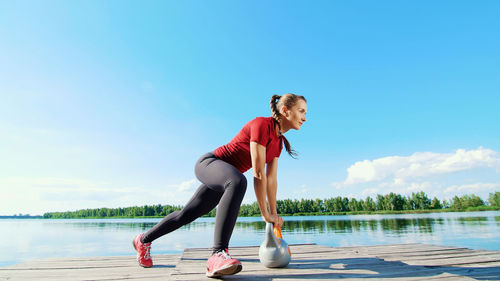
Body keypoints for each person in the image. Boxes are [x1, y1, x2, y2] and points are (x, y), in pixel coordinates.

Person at [132, 94, 307, 278]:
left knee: (187, 214)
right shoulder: (262, 125)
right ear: (285, 111)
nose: (304, 117)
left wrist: (274, 213)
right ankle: (217, 254)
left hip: (225, 179)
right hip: (209, 163)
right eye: (301, 111)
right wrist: (264, 214)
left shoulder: (278, 143)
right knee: (239, 181)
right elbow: (258, 173)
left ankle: (143, 240)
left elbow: (271, 180)